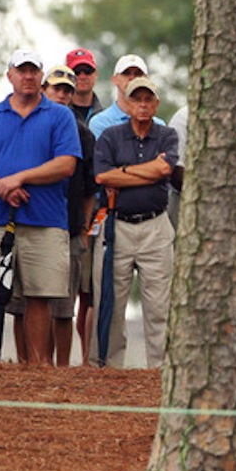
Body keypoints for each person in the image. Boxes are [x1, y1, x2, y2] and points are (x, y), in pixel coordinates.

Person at [0, 50, 80, 364]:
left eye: (34, 71)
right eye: (21, 71)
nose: (28, 76)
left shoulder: (60, 116)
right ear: (9, 75)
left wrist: (18, 178)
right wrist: (1, 186)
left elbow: (66, 164)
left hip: (46, 220)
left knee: (39, 296)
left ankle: (38, 372)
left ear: (41, 76)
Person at [93, 77, 177, 368]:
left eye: (148, 99)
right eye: (136, 99)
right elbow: (103, 177)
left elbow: (165, 168)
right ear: (127, 104)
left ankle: (161, 370)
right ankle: (109, 369)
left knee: (160, 305)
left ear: (156, 104)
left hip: (156, 225)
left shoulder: (167, 135)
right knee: (111, 301)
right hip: (118, 224)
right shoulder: (110, 136)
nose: (142, 104)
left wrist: (124, 171)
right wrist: (148, 170)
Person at [42, 66, 98, 365]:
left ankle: (62, 370)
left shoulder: (84, 135)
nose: (62, 95)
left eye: (67, 90)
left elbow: (90, 188)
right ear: (44, 91)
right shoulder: (32, 127)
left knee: (64, 307)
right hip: (34, 223)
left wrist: (84, 228)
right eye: (56, 89)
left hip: (70, 228)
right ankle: (34, 365)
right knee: (29, 304)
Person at [89, 54, 165, 139]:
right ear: (114, 80)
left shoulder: (159, 125)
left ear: (146, 80)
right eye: (126, 73)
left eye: (138, 74)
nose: (132, 77)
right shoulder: (101, 122)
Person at [66, 48, 104, 124]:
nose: (82, 77)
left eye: (87, 71)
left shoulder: (107, 117)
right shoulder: (57, 114)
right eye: (76, 72)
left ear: (96, 74)